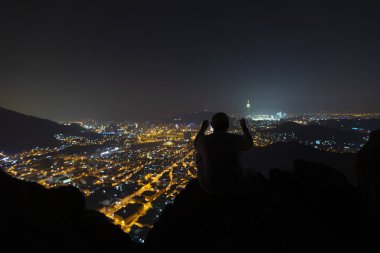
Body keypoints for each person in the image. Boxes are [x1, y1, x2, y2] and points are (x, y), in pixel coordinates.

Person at [194, 112, 254, 196]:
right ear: (228, 125)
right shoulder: (235, 139)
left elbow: (196, 145)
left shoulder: (204, 140)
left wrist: (202, 129)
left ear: (212, 125)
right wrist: (244, 129)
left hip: (210, 185)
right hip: (235, 184)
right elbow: (249, 144)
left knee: (199, 155)